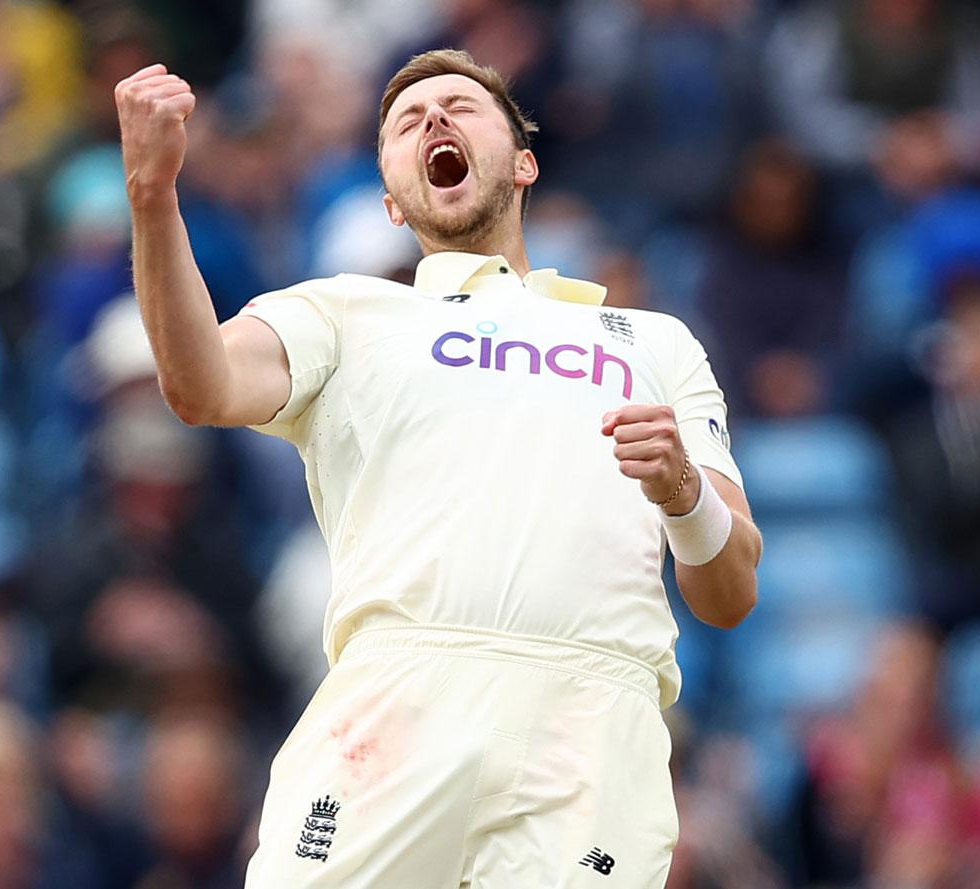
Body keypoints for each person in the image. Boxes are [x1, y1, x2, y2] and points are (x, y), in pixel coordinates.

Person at [115, 48, 762, 889]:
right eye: (406, 123)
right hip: (399, 702)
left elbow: (732, 590)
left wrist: (681, 493)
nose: (434, 121)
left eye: (459, 105)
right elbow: (198, 385)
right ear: (390, 196)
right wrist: (152, 193)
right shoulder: (345, 312)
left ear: (524, 162)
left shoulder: (653, 342)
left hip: (591, 726)